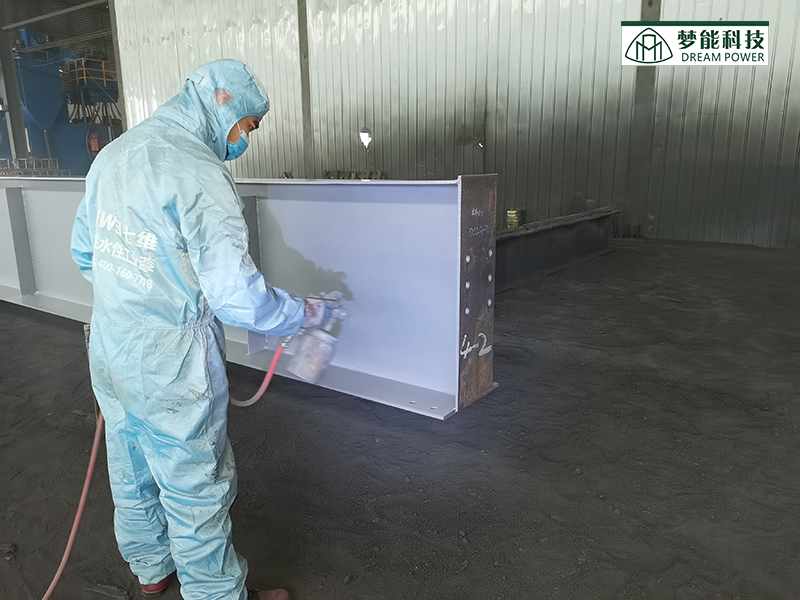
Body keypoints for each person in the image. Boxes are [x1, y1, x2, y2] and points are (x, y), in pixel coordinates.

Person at [71, 60, 326, 600]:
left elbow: (85, 253)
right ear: (224, 106)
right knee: (194, 484)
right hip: (171, 358)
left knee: (131, 463)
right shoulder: (199, 173)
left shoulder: (115, 154)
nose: (246, 140)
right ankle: (215, 594)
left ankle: (151, 567)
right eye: (249, 126)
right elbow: (236, 297)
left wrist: (140, 294)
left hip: (112, 344)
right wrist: (296, 315)